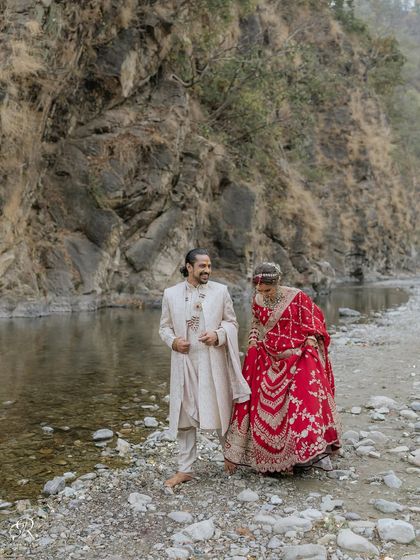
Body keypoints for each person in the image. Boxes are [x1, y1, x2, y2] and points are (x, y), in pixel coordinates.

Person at [224, 262, 341, 475]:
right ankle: (274, 460)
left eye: (268, 290)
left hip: (297, 356)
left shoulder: (297, 297)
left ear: (277, 283)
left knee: (302, 404)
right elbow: (257, 325)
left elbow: (314, 322)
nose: (264, 294)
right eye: (260, 290)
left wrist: (311, 341)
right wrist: (252, 343)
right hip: (267, 357)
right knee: (263, 407)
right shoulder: (258, 299)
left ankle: (305, 456)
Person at [159, 248, 250, 488]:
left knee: (220, 409)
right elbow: (164, 328)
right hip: (184, 362)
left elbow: (232, 322)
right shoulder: (171, 294)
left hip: (212, 362)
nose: (207, 270)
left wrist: (218, 335)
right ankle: (185, 469)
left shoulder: (221, 291)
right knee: (184, 417)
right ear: (189, 267)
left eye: (209, 266)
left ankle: (230, 456)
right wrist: (174, 342)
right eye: (202, 266)